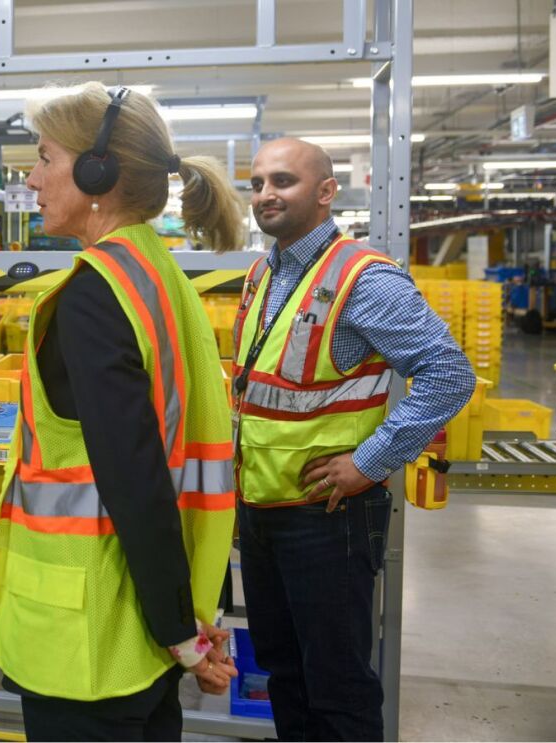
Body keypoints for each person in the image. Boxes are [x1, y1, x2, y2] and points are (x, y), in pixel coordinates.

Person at [0, 83, 244, 741]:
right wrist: (184, 621)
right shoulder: (159, 274)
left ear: (98, 172)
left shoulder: (94, 296)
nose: (31, 179)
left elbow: (135, 480)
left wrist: (182, 633)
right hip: (145, 630)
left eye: (44, 158)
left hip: (87, 638)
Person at [234, 138, 476, 741]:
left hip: (329, 517)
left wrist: (370, 462)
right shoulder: (264, 272)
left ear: (324, 192)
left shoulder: (363, 278)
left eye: (283, 181)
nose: (266, 194)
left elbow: (449, 375)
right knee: (282, 673)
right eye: (258, 182)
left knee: (337, 688)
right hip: (263, 508)